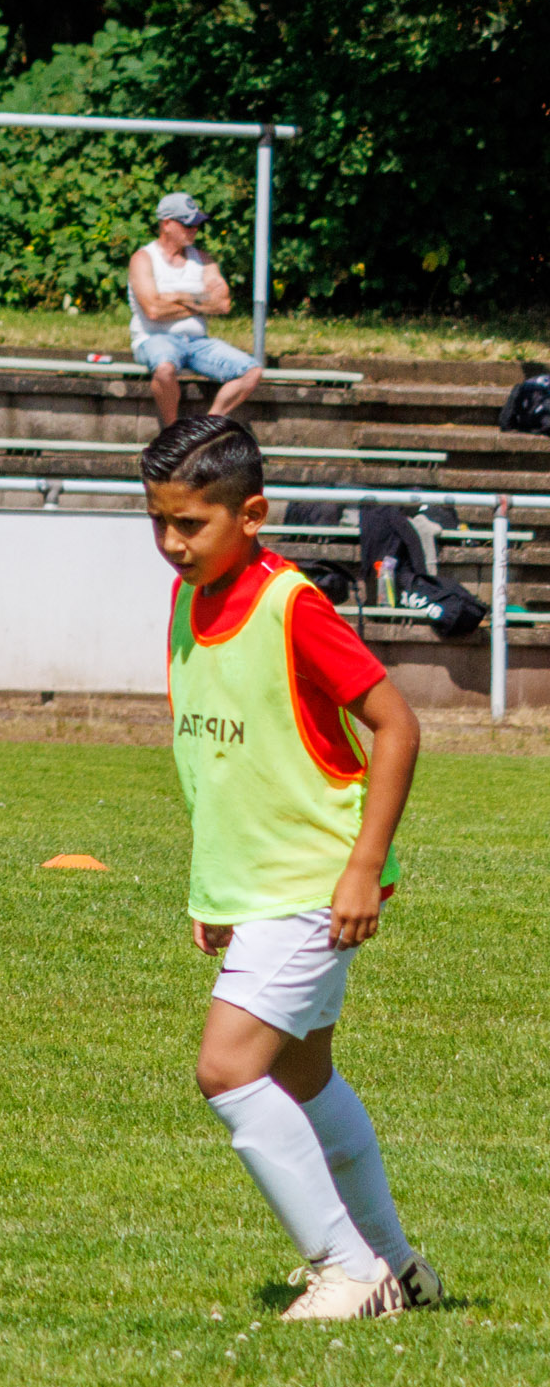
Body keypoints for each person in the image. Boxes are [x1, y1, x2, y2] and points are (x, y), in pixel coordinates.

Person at [141, 413, 445, 1322]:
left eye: (190, 523)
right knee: (303, 1076)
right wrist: (214, 887)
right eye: (157, 521)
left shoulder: (292, 606)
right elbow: (219, 763)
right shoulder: (187, 599)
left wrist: (364, 867)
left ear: (253, 514)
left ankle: (347, 1270)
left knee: (228, 1069)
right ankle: (399, 1265)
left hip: (314, 884)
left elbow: (397, 725)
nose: (172, 542)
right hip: (259, 889)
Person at [131, 192, 263, 426]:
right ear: (166, 224)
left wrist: (178, 296)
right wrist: (201, 303)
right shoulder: (143, 259)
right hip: (155, 338)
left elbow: (223, 304)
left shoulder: (203, 259)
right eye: (188, 224)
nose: (194, 230)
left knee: (252, 371)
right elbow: (153, 310)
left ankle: (204, 428)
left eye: (197, 224)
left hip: (198, 342)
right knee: (164, 368)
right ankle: (173, 432)